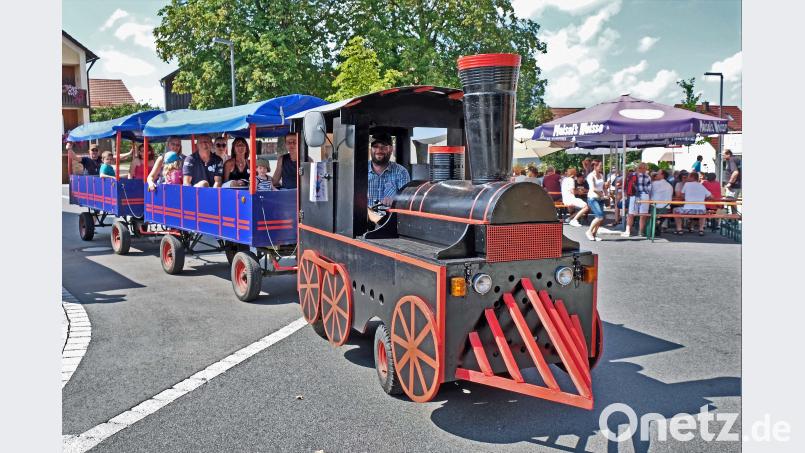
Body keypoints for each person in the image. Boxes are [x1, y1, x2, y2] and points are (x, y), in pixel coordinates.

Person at [367, 132, 410, 206]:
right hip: (363, 213)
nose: (379, 150)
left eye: (383, 147)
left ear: (391, 149)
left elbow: (406, 201)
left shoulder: (401, 172)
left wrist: (395, 202)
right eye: (375, 146)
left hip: (391, 213)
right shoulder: (360, 170)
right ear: (371, 149)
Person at [674, 171, 711, 236]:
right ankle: (701, 229)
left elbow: (681, 195)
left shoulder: (687, 184)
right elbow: (711, 196)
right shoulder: (701, 186)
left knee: (675, 210)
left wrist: (687, 197)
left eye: (688, 176)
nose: (687, 177)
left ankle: (679, 229)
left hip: (688, 210)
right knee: (703, 211)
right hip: (701, 210)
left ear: (692, 177)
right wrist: (703, 198)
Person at [621, 162, 652, 237]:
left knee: (631, 214)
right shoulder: (648, 176)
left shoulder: (632, 175)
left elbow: (626, 186)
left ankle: (628, 231)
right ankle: (640, 232)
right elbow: (649, 189)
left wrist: (626, 193)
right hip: (645, 196)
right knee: (643, 215)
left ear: (637, 168)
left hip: (634, 195)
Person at [585, 161, 607, 241]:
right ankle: (589, 231)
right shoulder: (590, 176)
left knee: (600, 217)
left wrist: (606, 194)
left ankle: (594, 234)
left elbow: (603, 186)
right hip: (593, 198)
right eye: (600, 166)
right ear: (595, 166)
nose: (601, 167)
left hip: (600, 198)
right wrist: (602, 195)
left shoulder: (601, 175)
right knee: (600, 216)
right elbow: (593, 188)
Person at [649, 169, 674, 236]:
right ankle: (658, 223)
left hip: (655, 208)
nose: (656, 175)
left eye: (657, 173)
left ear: (662, 175)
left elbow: (648, 193)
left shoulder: (654, 184)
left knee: (644, 211)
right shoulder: (670, 186)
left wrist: (651, 178)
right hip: (666, 208)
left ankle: (649, 228)